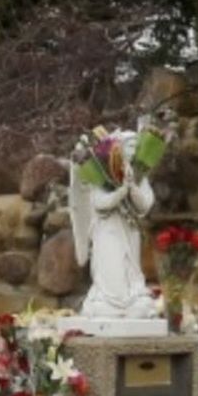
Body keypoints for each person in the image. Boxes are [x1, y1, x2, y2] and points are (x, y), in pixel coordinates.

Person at [70, 130, 160, 320]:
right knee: (112, 265)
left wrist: (132, 187)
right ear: (118, 149)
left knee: (131, 270)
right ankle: (108, 302)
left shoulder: (138, 175)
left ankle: (133, 300)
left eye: (135, 146)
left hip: (129, 231)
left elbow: (145, 204)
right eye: (129, 146)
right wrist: (121, 192)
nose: (133, 150)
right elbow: (100, 203)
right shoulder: (101, 173)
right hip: (108, 231)